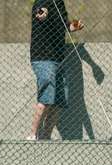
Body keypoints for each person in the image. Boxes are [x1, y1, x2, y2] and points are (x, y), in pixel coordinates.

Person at [29, 0, 83, 140]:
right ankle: (32, 135)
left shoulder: (60, 3)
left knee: (58, 100)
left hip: (59, 58)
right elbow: (40, 13)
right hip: (43, 56)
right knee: (47, 96)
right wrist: (42, 14)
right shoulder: (42, 1)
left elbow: (65, 26)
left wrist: (74, 26)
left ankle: (46, 136)